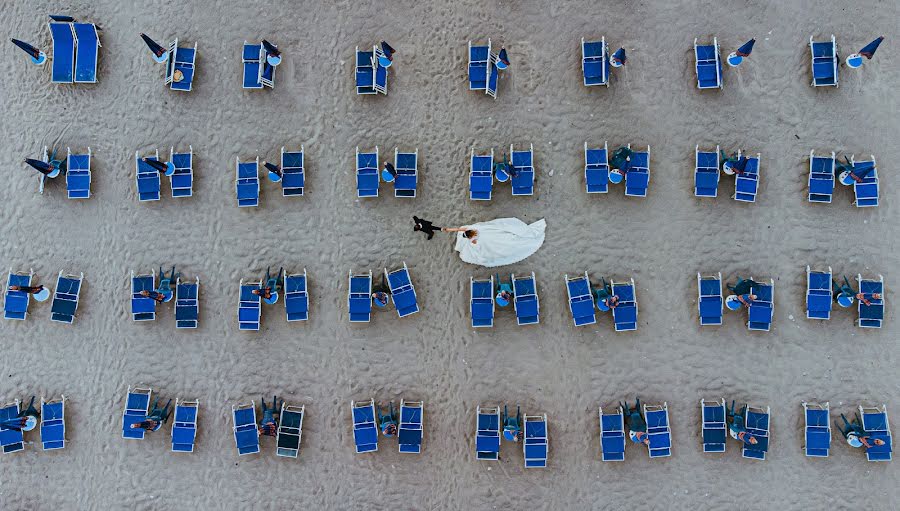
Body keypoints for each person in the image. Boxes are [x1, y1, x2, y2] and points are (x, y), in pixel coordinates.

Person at [448, 218, 546, 268]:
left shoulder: (473, 239)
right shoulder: (473, 229)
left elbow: (476, 247)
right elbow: (459, 229)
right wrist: (448, 229)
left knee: (501, 246)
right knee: (506, 237)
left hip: (489, 240)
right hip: (491, 234)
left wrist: (447, 229)